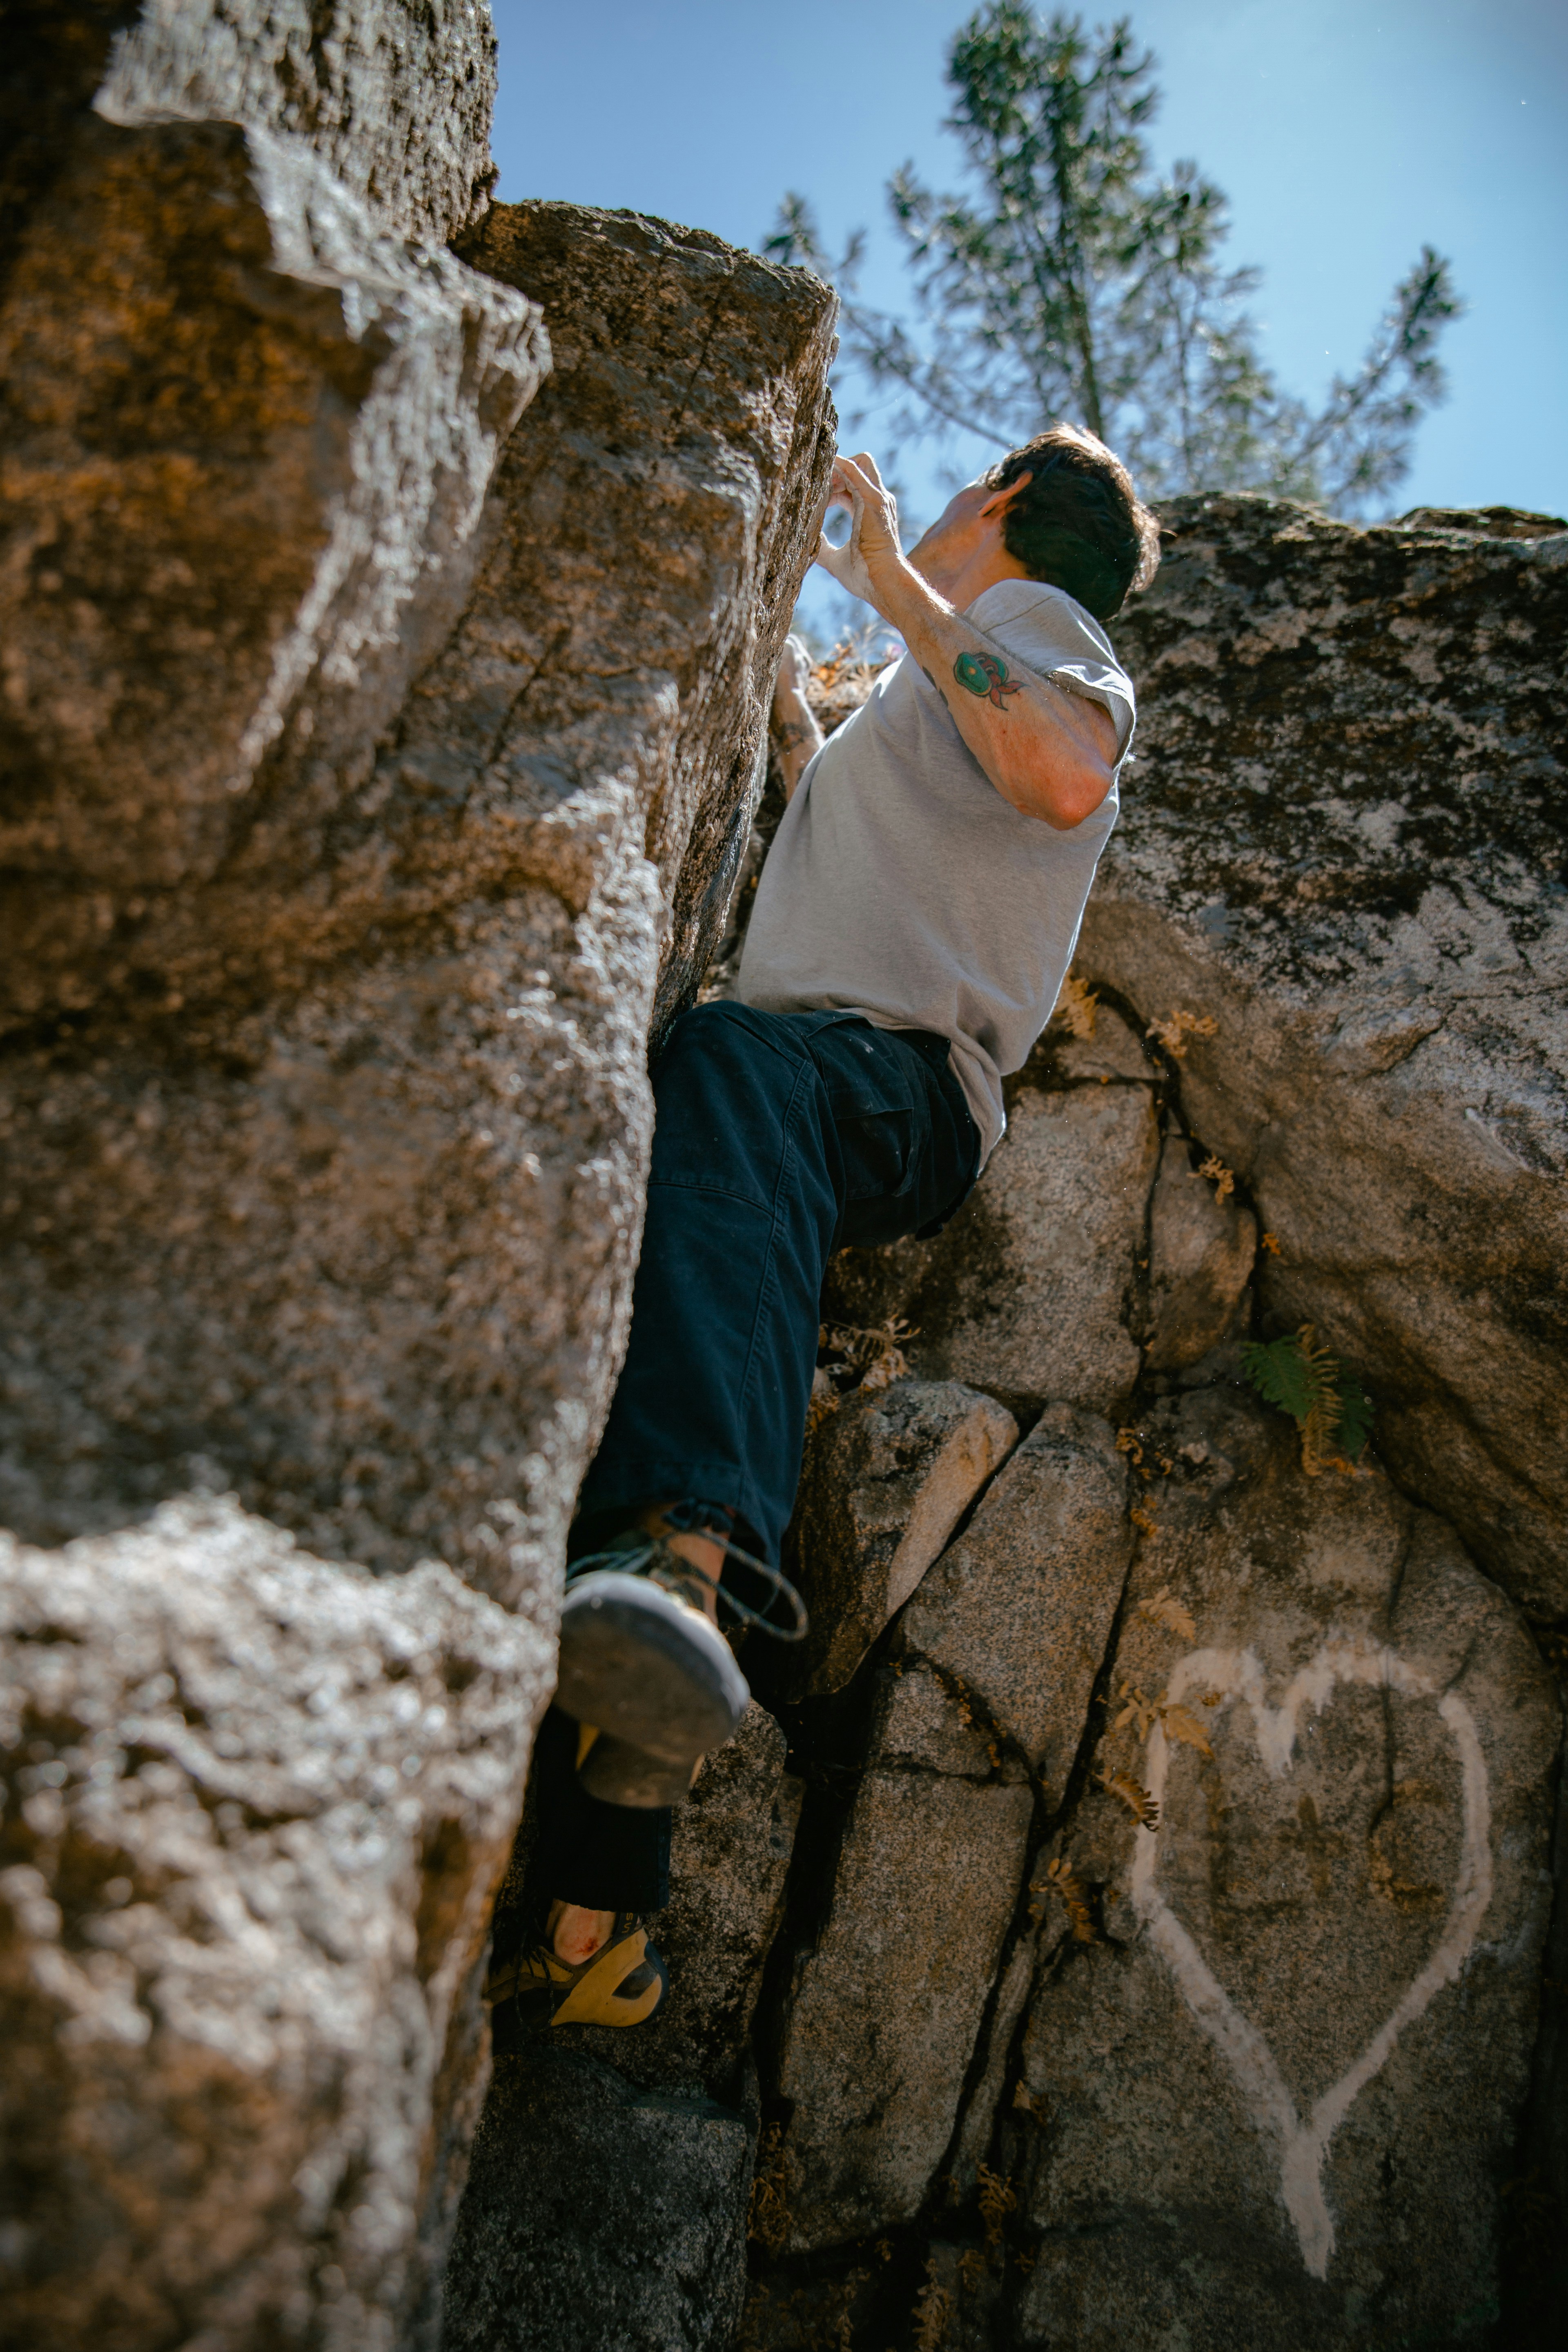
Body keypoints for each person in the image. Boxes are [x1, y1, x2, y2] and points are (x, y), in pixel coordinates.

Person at [484, 421, 1159, 2031]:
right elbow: (831, 809)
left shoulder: (1040, 635)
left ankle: (689, 1557)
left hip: (901, 1092)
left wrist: (895, 576)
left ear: (1002, 501)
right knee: (722, 1188)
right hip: (814, 1086)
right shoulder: (935, 681)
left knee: (730, 1068)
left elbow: (1064, 770)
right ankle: (596, 1932)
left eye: (958, 499)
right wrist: (781, 685)